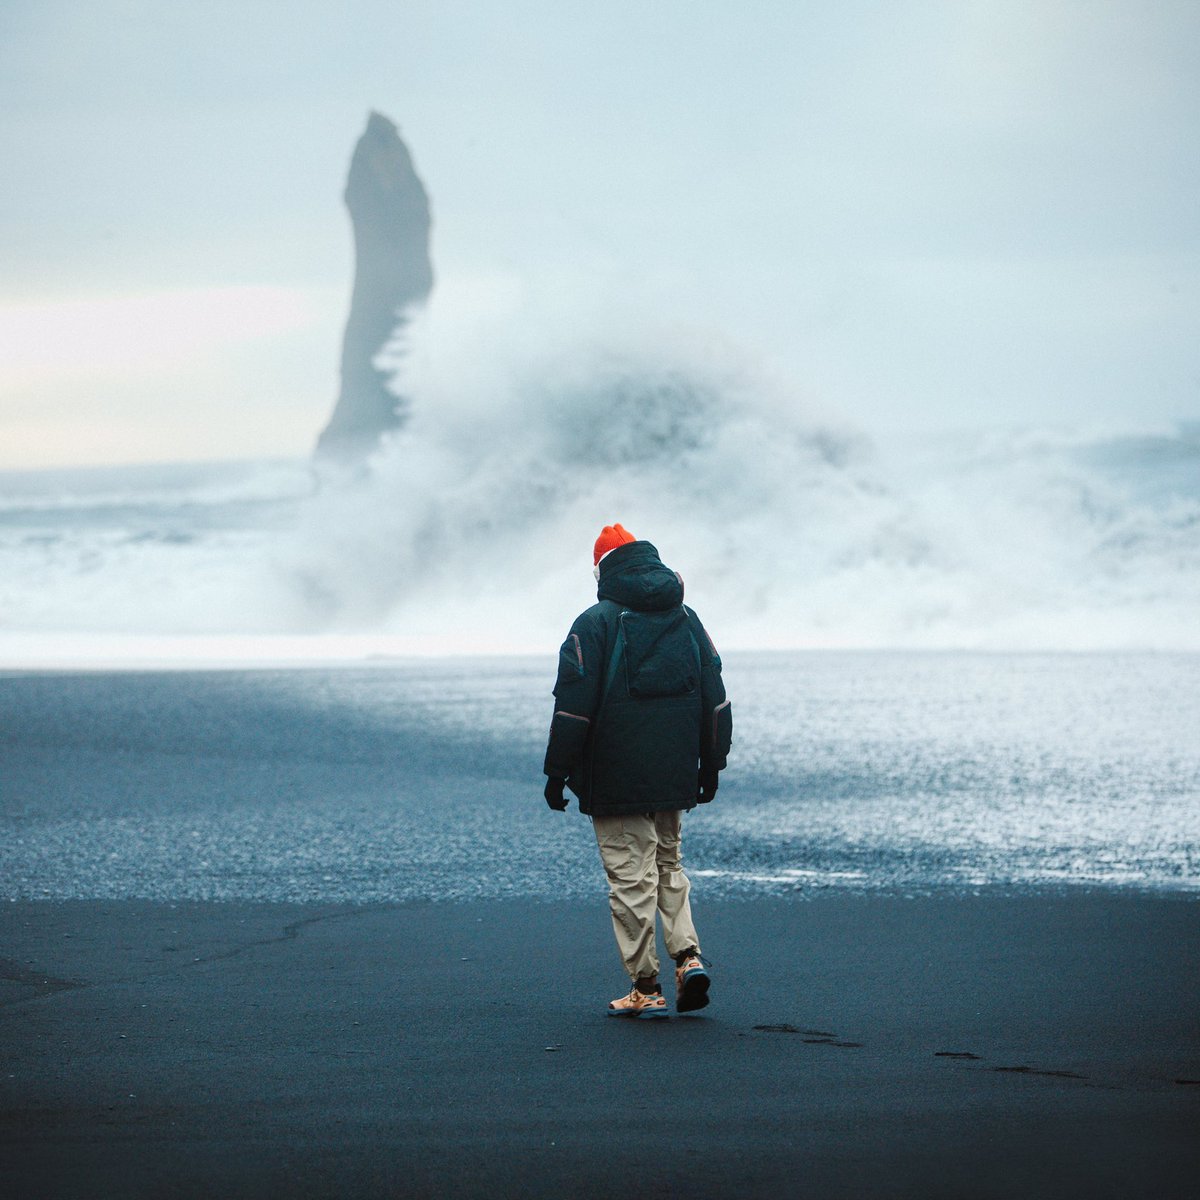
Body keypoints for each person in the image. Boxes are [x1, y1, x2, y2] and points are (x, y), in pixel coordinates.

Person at [543, 523, 732, 1018]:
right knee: (669, 866)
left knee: (631, 878)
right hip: (674, 774)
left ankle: (645, 985)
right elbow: (716, 699)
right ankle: (688, 960)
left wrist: (557, 772)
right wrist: (712, 764)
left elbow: (573, 707)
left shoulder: (595, 622)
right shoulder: (686, 618)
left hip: (614, 776)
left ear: (603, 568)